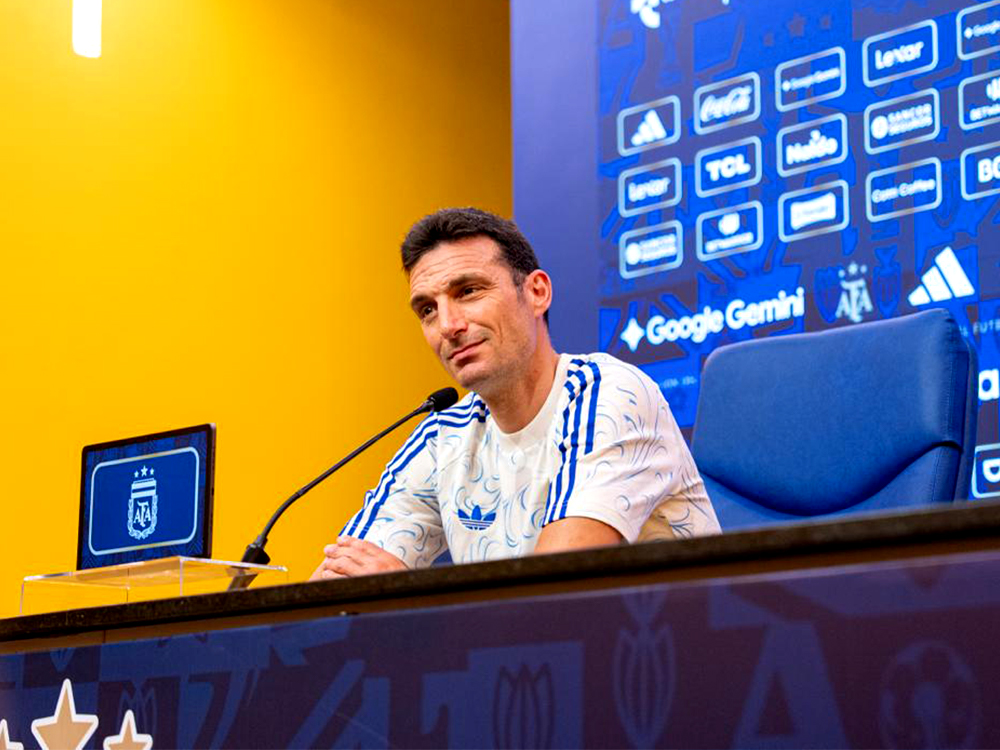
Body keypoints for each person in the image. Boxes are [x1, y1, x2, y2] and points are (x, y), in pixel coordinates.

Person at [311, 208, 719, 580]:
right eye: (427, 310)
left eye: (468, 291)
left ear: (537, 292)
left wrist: (405, 595)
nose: (448, 325)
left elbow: (552, 588)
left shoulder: (609, 393)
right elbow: (333, 590)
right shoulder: (443, 435)